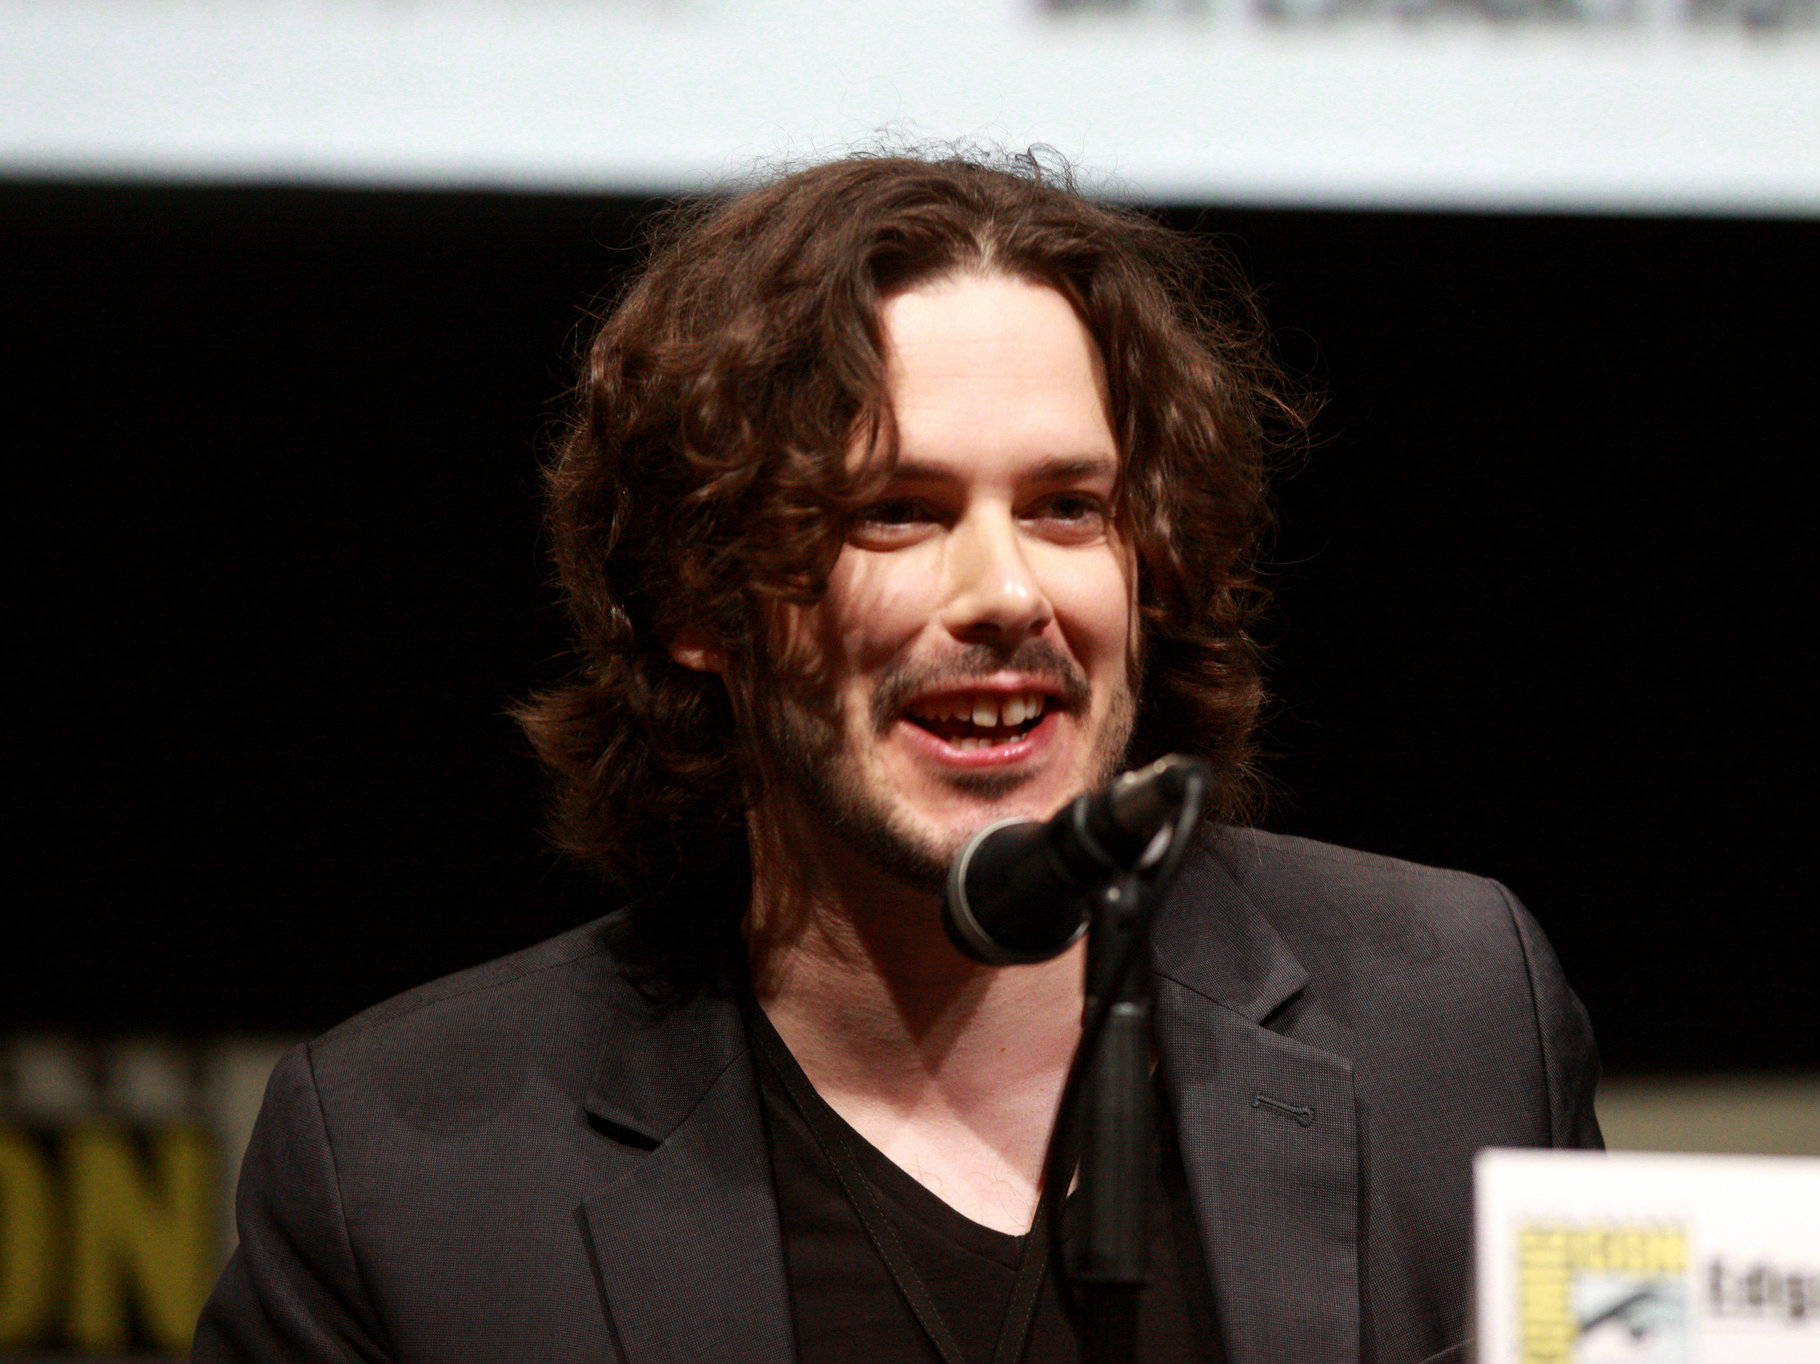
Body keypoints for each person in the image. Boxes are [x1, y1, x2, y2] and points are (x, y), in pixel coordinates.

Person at [193, 151, 1601, 1364]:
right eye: (896, 512)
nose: (1004, 590)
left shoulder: (1454, 1018)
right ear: (696, 598)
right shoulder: (405, 1174)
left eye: (1066, 507)